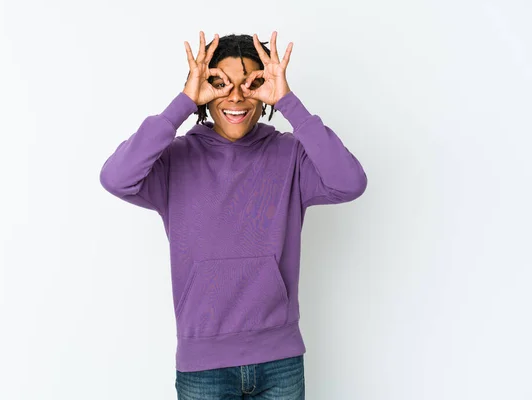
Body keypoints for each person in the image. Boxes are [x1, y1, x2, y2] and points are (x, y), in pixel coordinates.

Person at [99, 31, 367, 400]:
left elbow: (350, 182)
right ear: (203, 93)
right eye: (220, 84)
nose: (236, 96)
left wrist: (289, 102)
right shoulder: (175, 159)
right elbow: (116, 178)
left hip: (280, 359)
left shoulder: (290, 155)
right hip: (203, 364)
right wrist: (182, 101)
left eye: (251, 84)